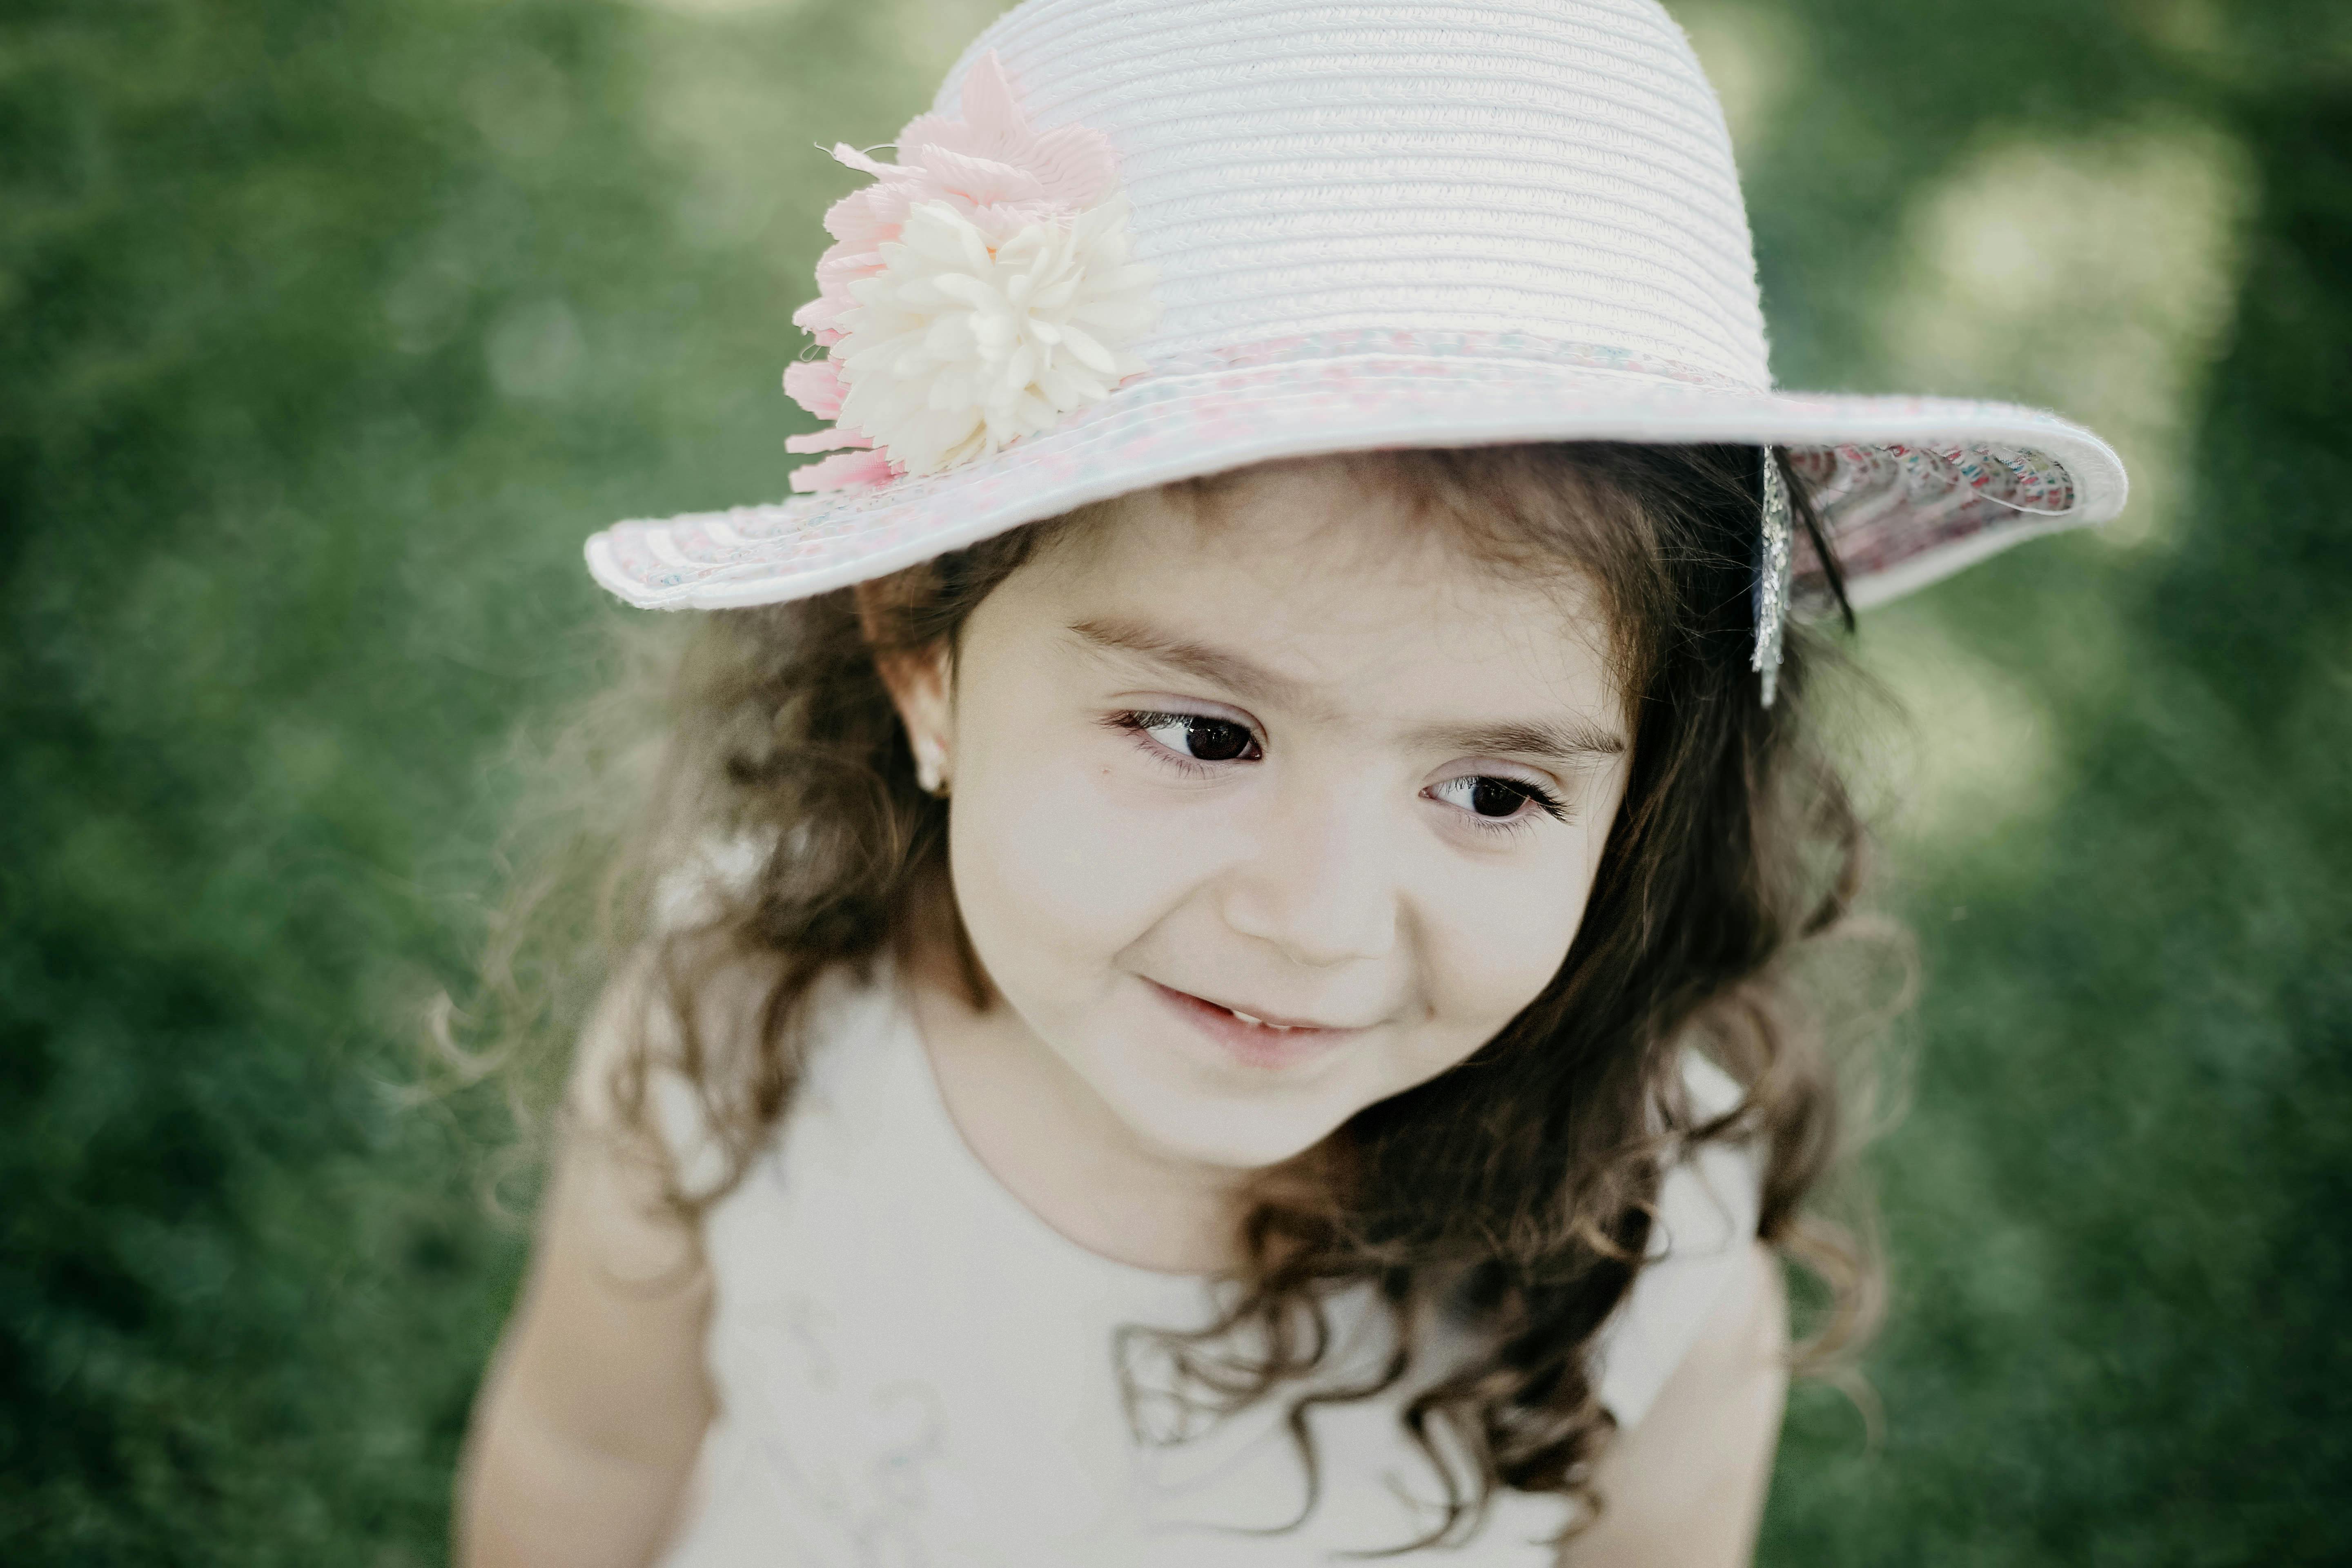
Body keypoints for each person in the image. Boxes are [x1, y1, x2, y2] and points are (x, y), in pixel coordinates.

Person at [456, 1, 2125, 1563]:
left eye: (1492, 794)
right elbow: (584, 1460)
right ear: (925, 658)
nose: (1317, 921)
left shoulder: (1650, 1241)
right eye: (1203, 735)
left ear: (1648, 801)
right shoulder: (746, 1016)